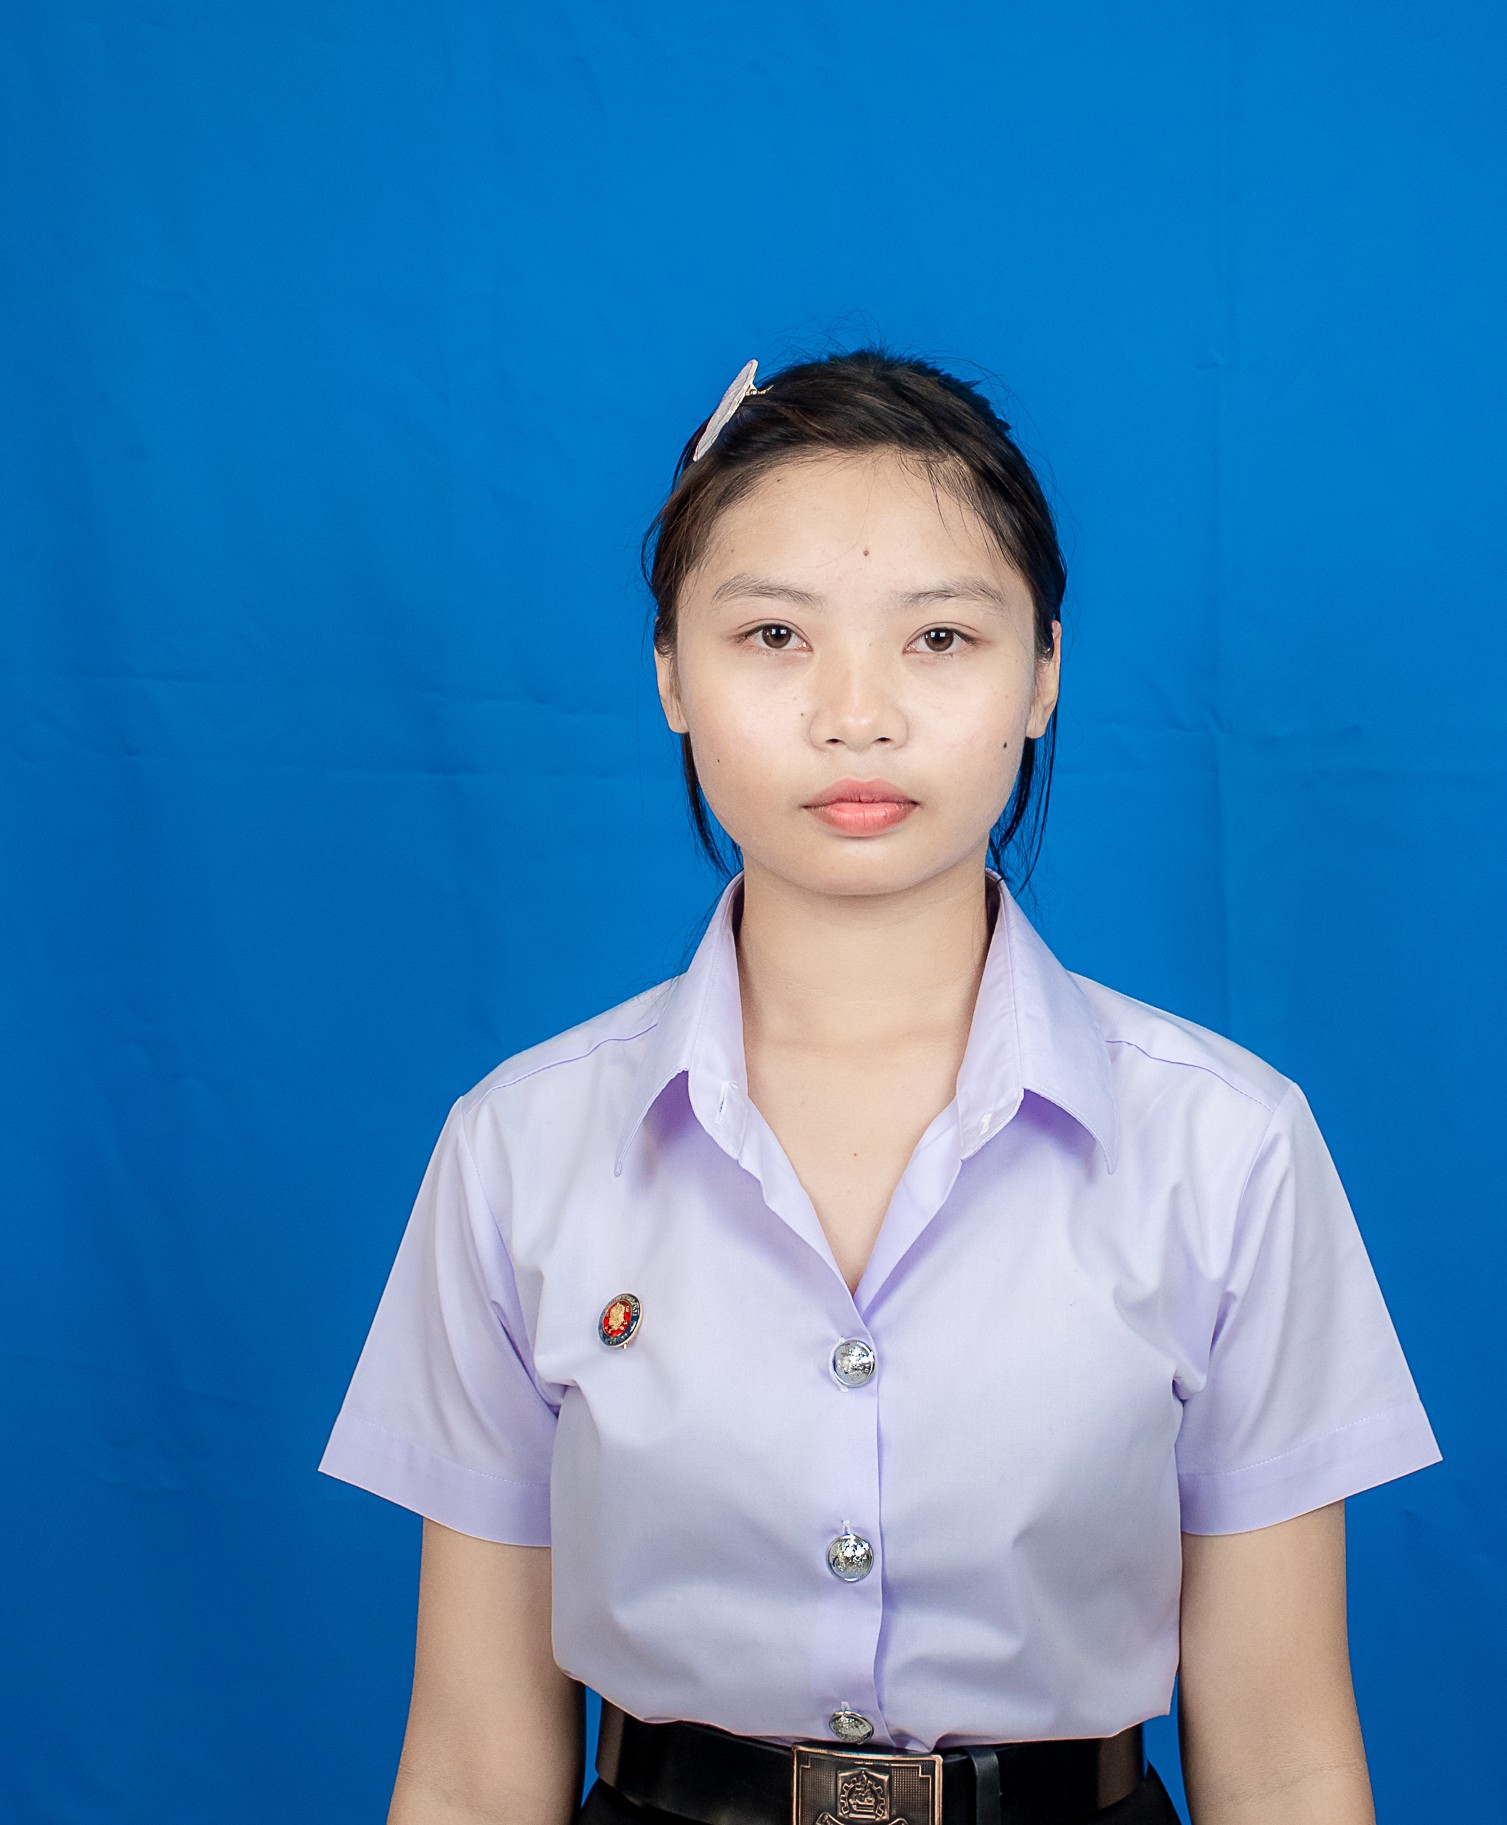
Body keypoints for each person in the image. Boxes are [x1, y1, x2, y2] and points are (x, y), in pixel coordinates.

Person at [318, 348, 1443, 1825]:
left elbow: (1285, 1757)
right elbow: (473, 1768)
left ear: (1043, 671)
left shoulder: (1228, 1144)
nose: (857, 713)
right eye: (775, 634)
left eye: (939, 637)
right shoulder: (518, 1145)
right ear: (670, 673)